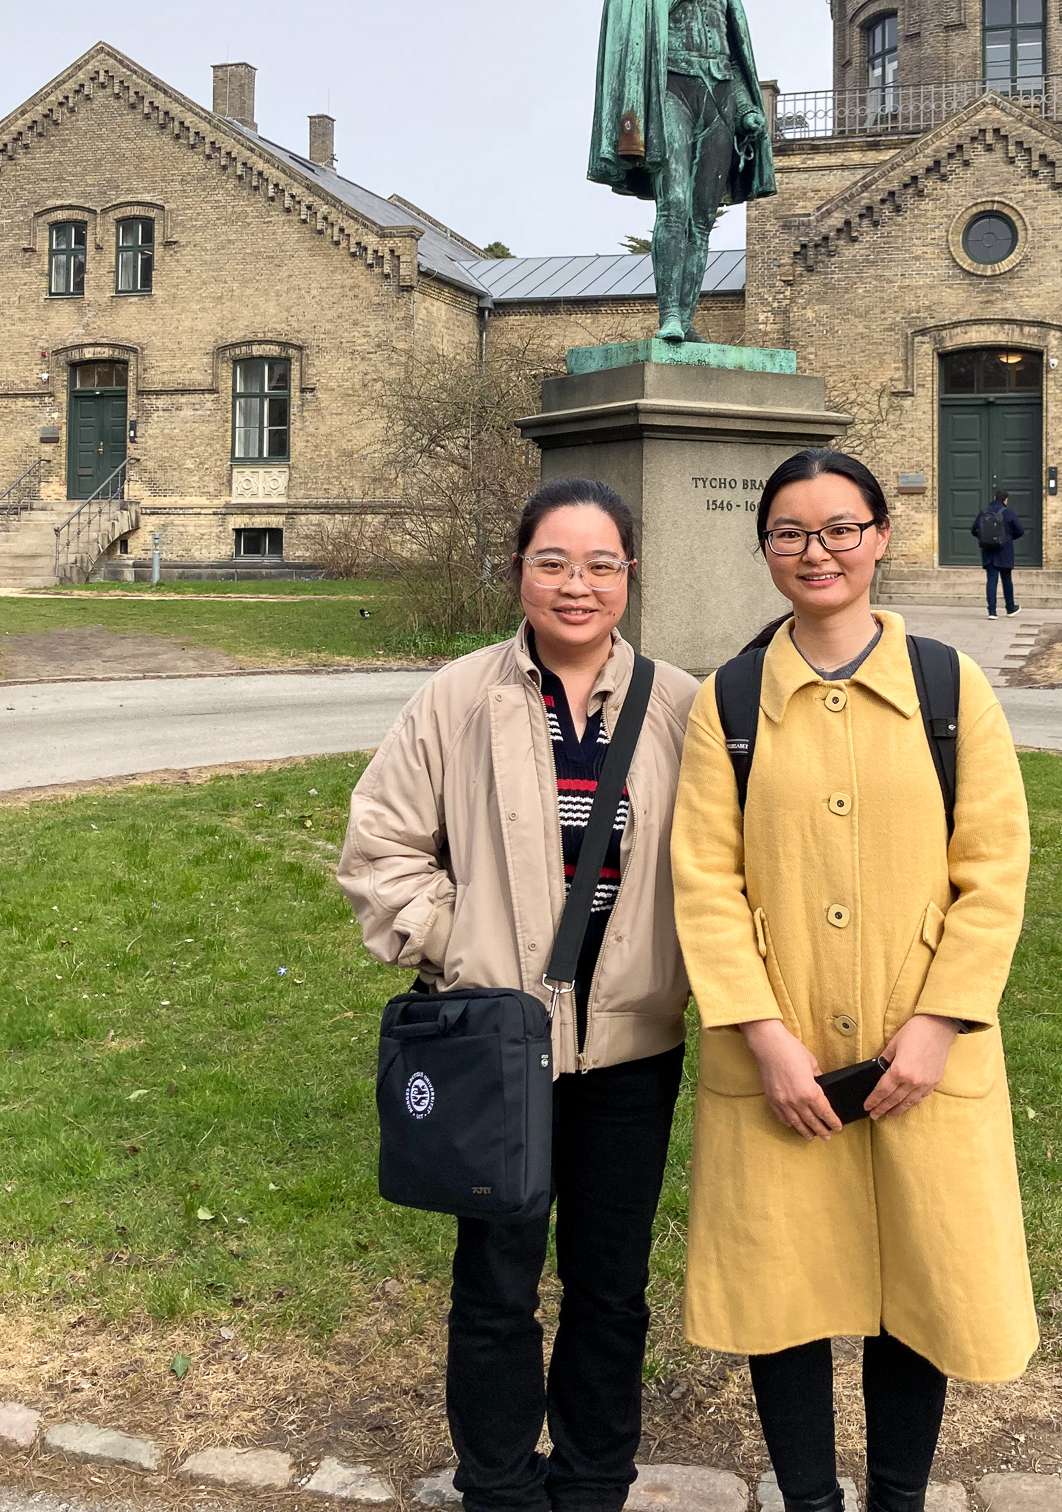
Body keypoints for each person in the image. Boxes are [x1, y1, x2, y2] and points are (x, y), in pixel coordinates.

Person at [670, 449, 1038, 1512]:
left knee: (918, 1286)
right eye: (790, 531)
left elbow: (994, 868)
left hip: (921, 1053)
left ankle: (896, 1500)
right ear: (766, 549)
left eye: (840, 528)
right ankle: (809, 1501)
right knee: (781, 1289)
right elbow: (705, 882)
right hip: (779, 1060)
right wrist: (761, 1035)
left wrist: (940, 1022)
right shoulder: (729, 699)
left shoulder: (949, 686)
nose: (816, 550)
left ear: (880, 537)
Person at [337, 478, 699, 1512]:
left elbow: (726, 864)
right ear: (518, 572)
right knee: (496, 1284)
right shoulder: (457, 698)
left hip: (631, 1046)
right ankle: (497, 1483)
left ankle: (591, 1480)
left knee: (610, 1285)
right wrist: (463, 948)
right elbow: (382, 847)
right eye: (553, 562)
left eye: (600, 564)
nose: (576, 584)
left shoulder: (679, 706)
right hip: (497, 1043)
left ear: (629, 575)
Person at [587, 0, 776, 343]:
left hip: (719, 96)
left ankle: (687, 321)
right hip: (668, 89)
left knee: (702, 218)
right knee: (673, 205)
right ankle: (669, 315)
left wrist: (745, 107)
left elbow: (733, 51)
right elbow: (636, 22)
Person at [973, 489, 1024, 618]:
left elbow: (974, 530)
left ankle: (992, 611)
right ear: (1005, 500)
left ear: (995, 498)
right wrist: (1009, 537)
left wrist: (985, 538)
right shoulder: (1008, 513)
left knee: (991, 580)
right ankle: (1010, 608)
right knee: (1007, 579)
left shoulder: (984, 512)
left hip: (988, 551)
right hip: (1005, 551)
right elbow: (1020, 530)